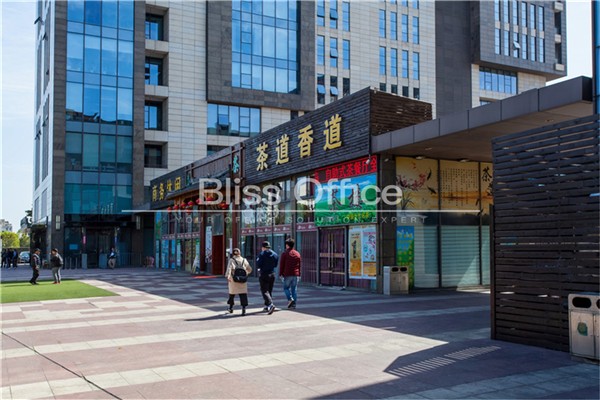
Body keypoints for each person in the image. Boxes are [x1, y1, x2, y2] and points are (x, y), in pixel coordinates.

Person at [225, 248, 252, 316]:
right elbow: (250, 269)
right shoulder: (244, 260)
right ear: (240, 253)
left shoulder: (231, 260)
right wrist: (246, 274)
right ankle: (243, 309)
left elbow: (229, 269)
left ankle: (231, 308)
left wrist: (228, 276)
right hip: (242, 280)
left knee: (232, 294)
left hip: (234, 279)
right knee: (243, 294)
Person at [256, 241, 279, 314]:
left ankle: (270, 304)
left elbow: (258, 264)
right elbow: (276, 265)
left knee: (264, 290)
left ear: (263, 247)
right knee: (269, 290)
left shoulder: (262, 254)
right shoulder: (275, 254)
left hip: (264, 274)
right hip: (272, 274)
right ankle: (266, 306)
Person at [278, 238, 301, 309]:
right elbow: (299, 265)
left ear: (287, 245)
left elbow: (282, 265)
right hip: (295, 274)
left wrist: (280, 273)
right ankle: (294, 304)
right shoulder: (297, 253)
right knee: (294, 289)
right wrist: (299, 273)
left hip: (287, 274)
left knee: (286, 288)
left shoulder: (285, 253)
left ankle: (290, 299)